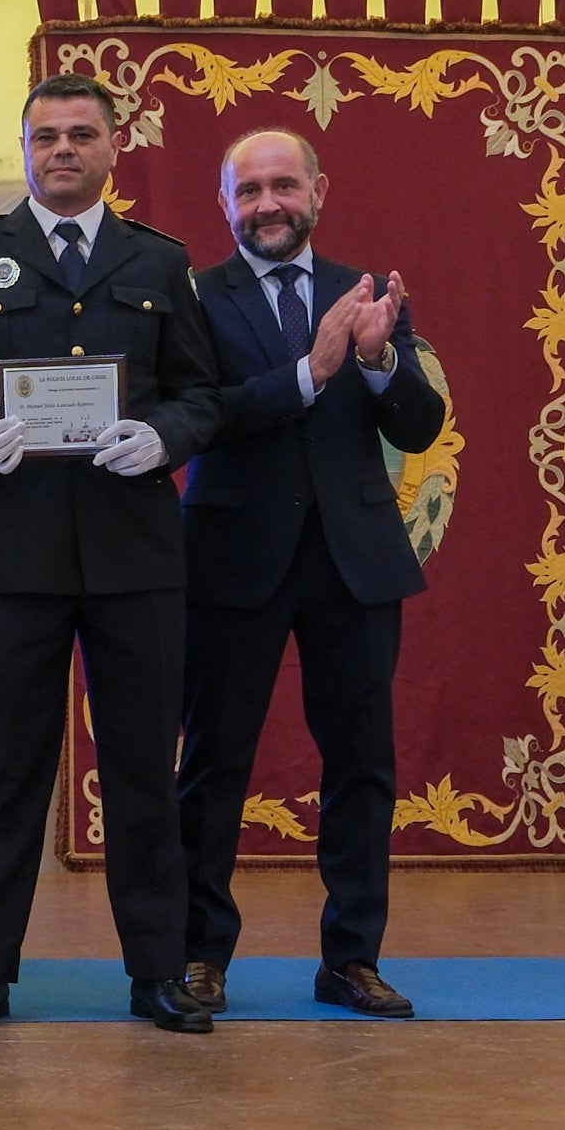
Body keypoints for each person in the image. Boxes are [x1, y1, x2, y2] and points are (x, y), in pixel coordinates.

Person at [0, 72, 223, 1034]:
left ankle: (156, 973)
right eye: (45, 136)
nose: (63, 151)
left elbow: (199, 394)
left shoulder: (159, 263)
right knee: (3, 769)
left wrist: (161, 439)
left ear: (113, 147)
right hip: (12, 554)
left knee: (138, 768)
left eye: (81, 135)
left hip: (133, 554)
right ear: (25, 147)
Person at [176, 129, 443, 1020]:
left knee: (361, 766)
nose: (267, 205)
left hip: (352, 564)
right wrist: (308, 371)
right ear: (225, 205)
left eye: (282, 185)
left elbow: (416, 425)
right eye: (247, 191)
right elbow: (200, 418)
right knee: (213, 764)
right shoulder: (194, 297)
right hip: (229, 560)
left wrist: (371, 362)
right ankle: (199, 957)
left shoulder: (366, 292)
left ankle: (351, 959)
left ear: (317, 190)